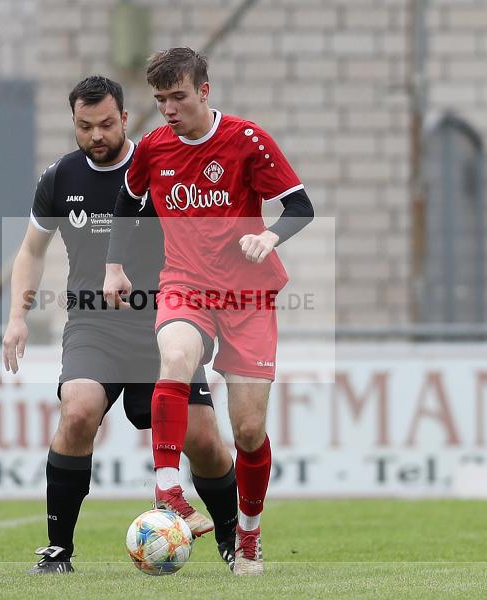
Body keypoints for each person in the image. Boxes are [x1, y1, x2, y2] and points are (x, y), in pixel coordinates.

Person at [2, 75, 239, 574]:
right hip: (94, 326)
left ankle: (230, 539)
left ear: (125, 119)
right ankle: (58, 550)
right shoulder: (60, 178)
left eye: (107, 124)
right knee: (78, 411)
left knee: (204, 442)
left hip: (166, 323)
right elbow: (31, 250)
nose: (97, 135)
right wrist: (17, 316)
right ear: (73, 123)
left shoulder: (160, 166)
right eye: (85, 126)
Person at [104, 48, 314, 575]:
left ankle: (248, 533)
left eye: (178, 97)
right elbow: (127, 203)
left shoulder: (246, 140)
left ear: (204, 90)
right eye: (160, 99)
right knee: (175, 357)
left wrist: (270, 236)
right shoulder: (153, 147)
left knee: (247, 431)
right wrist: (114, 266)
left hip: (247, 296)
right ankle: (169, 490)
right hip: (185, 285)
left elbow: (300, 206)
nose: (169, 109)